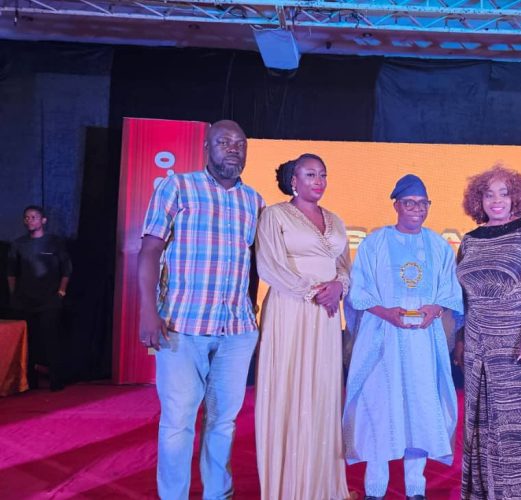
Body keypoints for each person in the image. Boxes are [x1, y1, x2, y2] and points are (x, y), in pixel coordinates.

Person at [137, 120, 264, 499]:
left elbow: (255, 263)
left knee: (223, 422)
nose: (233, 148)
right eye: (224, 142)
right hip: (181, 325)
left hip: (236, 331)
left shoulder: (254, 201)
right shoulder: (177, 186)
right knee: (178, 421)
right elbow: (150, 250)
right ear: (206, 147)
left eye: (240, 143)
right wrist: (147, 310)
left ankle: (217, 494)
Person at [343, 174, 463, 500]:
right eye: (409, 203)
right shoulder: (375, 243)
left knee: (419, 410)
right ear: (396, 205)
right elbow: (359, 292)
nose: (417, 209)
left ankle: (415, 489)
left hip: (423, 341)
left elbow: (450, 292)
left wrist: (435, 308)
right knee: (380, 409)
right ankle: (374, 489)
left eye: (423, 203)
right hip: (382, 340)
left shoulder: (438, 245)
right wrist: (385, 313)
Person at [254, 153, 351, 500]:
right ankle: (287, 487)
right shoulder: (274, 215)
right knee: (289, 387)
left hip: (326, 317)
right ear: (293, 180)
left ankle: (321, 486)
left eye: (323, 174)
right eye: (310, 174)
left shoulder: (336, 220)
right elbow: (269, 266)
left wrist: (338, 287)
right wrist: (315, 292)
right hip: (291, 310)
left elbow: (344, 267)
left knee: (322, 391)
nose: (318, 181)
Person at [455, 166, 521, 499]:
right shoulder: (470, 240)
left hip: (515, 343)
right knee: (478, 421)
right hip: (477, 344)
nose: (496, 201)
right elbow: (463, 297)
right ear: (478, 200)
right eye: (488, 194)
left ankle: (516, 494)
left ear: (516, 198)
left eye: (504, 193)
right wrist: (462, 338)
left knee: (513, 426)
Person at [7, 206, 72, 391]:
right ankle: (29, 381)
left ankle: (56, 380)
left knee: (52, 339)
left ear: (43, 220)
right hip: (25, 300)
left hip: (50, 300)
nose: (30, 220)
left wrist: (61, 292)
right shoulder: (18, 244)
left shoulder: (54, 242)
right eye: (27, 217)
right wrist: (14, 294)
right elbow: (11, 272)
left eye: (34, 217)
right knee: (28, 342)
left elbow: (66, 269)